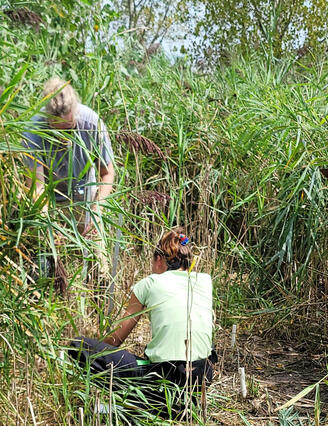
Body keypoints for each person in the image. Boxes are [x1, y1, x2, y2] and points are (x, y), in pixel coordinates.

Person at [69, 229, 216, 417]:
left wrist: (97, 345)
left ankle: (146, 406)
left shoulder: (150, 283)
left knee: (79, 347)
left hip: (164, 380)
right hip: (200, 382)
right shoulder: (205, 281)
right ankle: (173, 408)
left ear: (159, 260)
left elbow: (115, 341)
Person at [22, 77, 115, 280]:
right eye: (58, 131)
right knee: (45, 263)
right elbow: (36, 187)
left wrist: (97, 210)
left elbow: (107, 173)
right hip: (51, 201)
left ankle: (100, 304)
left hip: (86, 197)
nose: (65, 137)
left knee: (99, 266)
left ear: (75, 112)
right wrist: (49, 226)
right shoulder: (33, 131)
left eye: (70, 128)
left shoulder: (92, 123)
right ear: (48, 119)